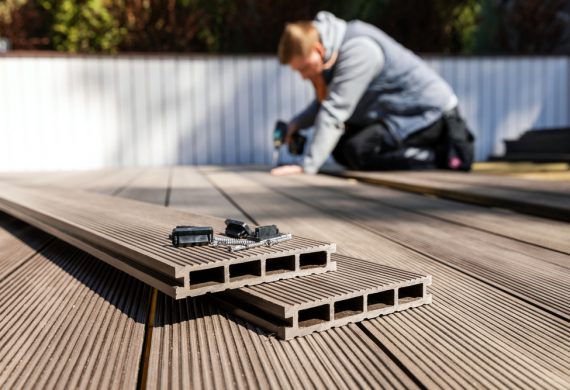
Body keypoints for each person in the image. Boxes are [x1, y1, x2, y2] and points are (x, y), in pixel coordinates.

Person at [271, 11, 474, 176]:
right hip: (396, 115)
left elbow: (335, 110)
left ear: (318, 49)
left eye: (304, 68)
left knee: (356, 150)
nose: (304, 76)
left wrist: (306, 167)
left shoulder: (358, 50)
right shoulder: (333, 51)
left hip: (427, 114)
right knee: (342, 148)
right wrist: (295, 125)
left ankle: (442, 156)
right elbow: (323, 105)